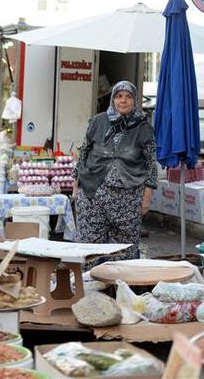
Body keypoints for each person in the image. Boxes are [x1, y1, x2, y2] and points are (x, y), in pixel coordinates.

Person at [72, 80, 157, 268]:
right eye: (119, 96)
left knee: (123, 250)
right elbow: (84, 151)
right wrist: (76, 182)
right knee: (89, 247)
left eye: (128, 97)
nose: (123, 101)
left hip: (127, 198)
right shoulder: (98, 121)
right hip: (93, 194)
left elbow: (151, 163)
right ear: (113, 99)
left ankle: (118, 291)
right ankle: (88, 288)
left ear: (135, 101)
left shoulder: (143, 127)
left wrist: (147, 197)